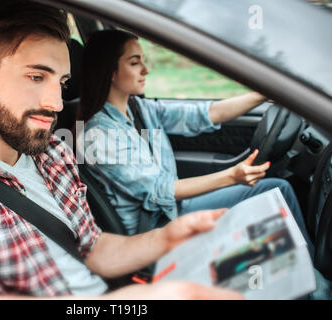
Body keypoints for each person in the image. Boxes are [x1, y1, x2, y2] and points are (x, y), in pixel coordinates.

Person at [0, 0, 243, 299]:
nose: (56, 102)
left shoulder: (52, 150)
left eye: (63, 82)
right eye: (36, 77)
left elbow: (92, 249)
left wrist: (167, 237)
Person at [77, 30, 313, 254]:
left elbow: (208, 114)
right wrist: (232, 176)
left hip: (172, 209)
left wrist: (263, 94)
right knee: (274, 196)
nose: (146, 70)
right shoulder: (98, 134)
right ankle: (317, 289)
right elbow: (160, 191)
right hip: (154, 228)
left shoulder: (138, 108)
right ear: (111, 71)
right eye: (135, 62)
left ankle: (310, 274)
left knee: (276, 190)